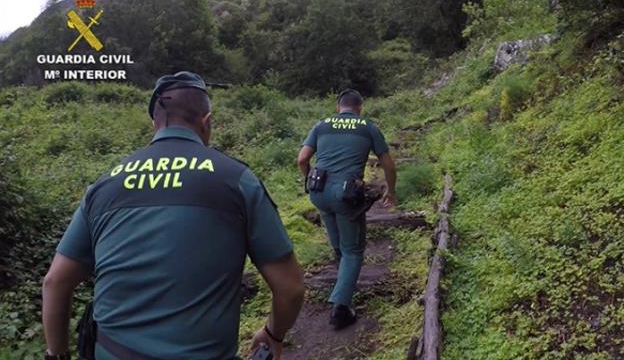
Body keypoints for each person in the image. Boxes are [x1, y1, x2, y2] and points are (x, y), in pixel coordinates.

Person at [42, 71, 304, 360]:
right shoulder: (237, 179)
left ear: (154, 123)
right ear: (207, 121)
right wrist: (272, 333)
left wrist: (57, 354)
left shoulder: (104, 185)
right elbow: (290, 288)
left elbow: (55, 282)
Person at [297, 89, 397, 329]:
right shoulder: (368, 127)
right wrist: (390, 192)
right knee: (353, 249)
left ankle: (343, 281)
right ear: (359, 107)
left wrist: (308, 179)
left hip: (318, 191)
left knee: (338, 243)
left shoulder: (321, 125)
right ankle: (341, 307)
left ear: (338, 106)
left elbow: (302, 159)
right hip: (346, 194)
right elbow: (389, 165)